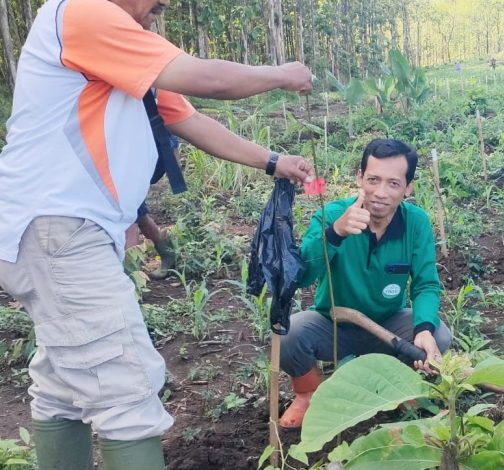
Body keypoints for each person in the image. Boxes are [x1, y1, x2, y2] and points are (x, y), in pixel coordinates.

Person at [0, 0, 314, 468]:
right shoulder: (85, 13)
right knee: (126, 391)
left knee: (66, 385)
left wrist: (274, 162)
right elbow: (208, 79)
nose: (163, 5)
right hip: (58, 233)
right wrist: (281, 73)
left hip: (49, 234)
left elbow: (188, 120)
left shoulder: (119, 53)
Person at [278, 139, 453, 428]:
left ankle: (398, 386)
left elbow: (425, 285)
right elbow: (302, 276)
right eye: (373, 180)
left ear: (408, 188)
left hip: (387, 326)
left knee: (439, 335)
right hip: (333, 323)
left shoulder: (416, 223)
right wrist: (335, 234)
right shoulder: (332, 215)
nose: (381, 193)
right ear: (360, 178)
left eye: (394, 184)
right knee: (290, 333)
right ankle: (308, 393)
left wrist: (422, 329)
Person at [126, 135, 181, 280]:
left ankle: (131, 278)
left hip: (143, 153)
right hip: (131, 153)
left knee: (129, 213)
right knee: (137, 211)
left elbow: (169, 123)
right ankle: (167, 253)